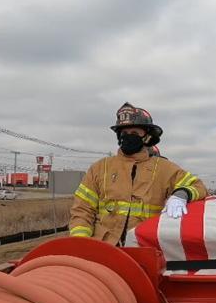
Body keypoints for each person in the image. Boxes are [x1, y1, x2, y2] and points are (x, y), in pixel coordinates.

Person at [70, 102, 208, 245]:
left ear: (147, 137)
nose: (128, 137)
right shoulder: (99, 168)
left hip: (145, 250)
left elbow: (198, 186)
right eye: (124, 133)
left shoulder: (164, 169)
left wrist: (181, 195)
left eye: (135, 133)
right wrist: (82, 243)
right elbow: (82, 210)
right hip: (104, 250)